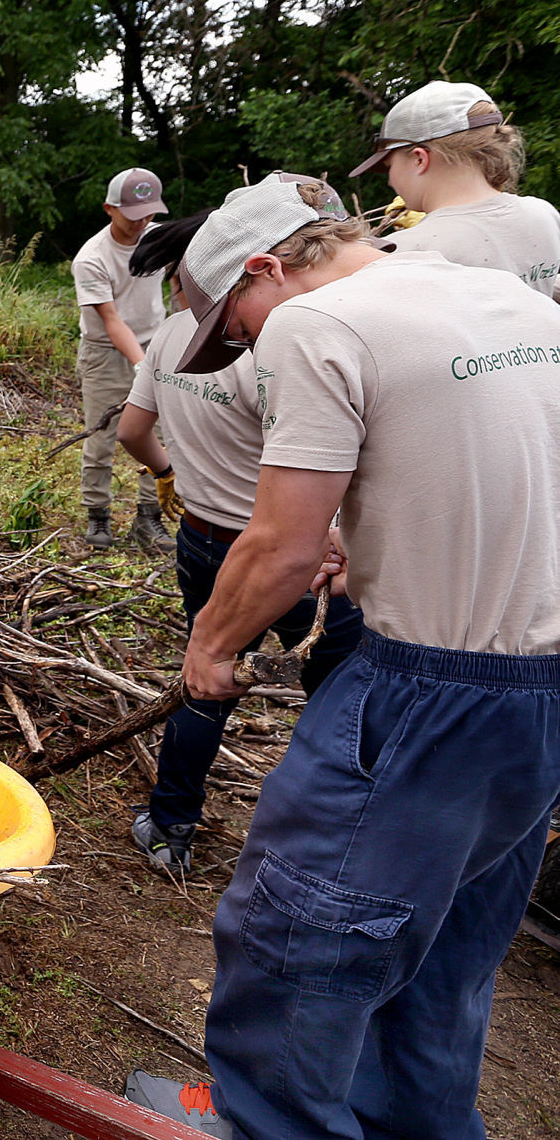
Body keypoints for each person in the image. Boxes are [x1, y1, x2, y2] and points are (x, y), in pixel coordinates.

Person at [123, 175, 560, 1138]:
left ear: (267, 268)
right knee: (445, 950)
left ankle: (267, 1122)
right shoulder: (511, 300)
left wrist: (212, 642)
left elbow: (277, 545)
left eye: (233, 325)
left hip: (429, 690)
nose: (241, 347)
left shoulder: (315, 323)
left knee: (294, 934)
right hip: (541, 697)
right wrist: (376, 540)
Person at [116, 188, 363, 877]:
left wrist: (170, 472)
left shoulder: (170, 337)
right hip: (293, 552)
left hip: (202, 538)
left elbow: (133, 430)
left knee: (207, 677)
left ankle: (169, 825)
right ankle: (326, 844)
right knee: (342, 694)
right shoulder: (286, 344)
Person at [351, 79, 560, 299]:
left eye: (389, 166)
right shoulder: (544, 214)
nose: (390, 181)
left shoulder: (406, 251)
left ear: (419, 159)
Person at [72, 168, 175, 551]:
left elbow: (182, 281)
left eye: (149, 214)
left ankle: (149, 517)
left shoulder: (159, 239)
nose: (142, 223)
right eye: (133, 215)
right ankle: (97, 516)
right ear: (109, 208)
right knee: (103, 434)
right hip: (105, 352)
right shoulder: (92, 258)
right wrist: (142, 366)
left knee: (158, 434)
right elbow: (111, 320)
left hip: (154, 341)